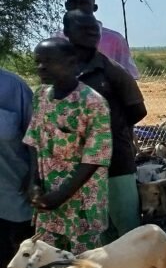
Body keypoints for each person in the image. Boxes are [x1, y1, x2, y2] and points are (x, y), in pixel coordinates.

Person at [62, 8, 146, 246]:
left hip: (115, 163)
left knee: (128, 229)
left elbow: (138, 110)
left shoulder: (110, 70)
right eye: (83, 29)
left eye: (94, 30)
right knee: (97, 233)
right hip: (78, 166)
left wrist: (108, 132)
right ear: (67, 32)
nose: (90, 34)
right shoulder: (62, 72)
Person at [23, 38, 112, 254]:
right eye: (38, 61)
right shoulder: (41, 97)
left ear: (72, 63)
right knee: (48, 266)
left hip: (81, 204)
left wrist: (61, 195)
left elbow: (95, 158)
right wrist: (34, 183)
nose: (41, 67)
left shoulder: (92, 103)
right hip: (48, 200)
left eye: (49, 61)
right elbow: (34, 141)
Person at [56, 0, 140, 79]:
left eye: (84, 3)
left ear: (94, 7)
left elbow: (129, 78)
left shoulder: (114, 40)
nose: (78, 7)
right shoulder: (57, 40)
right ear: (66, 5)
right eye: (73, 2)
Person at [0, 67, 34, 268]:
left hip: (12, 198)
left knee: (15, 266)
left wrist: (34, 178)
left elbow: (36, 139)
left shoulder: (15, 88)